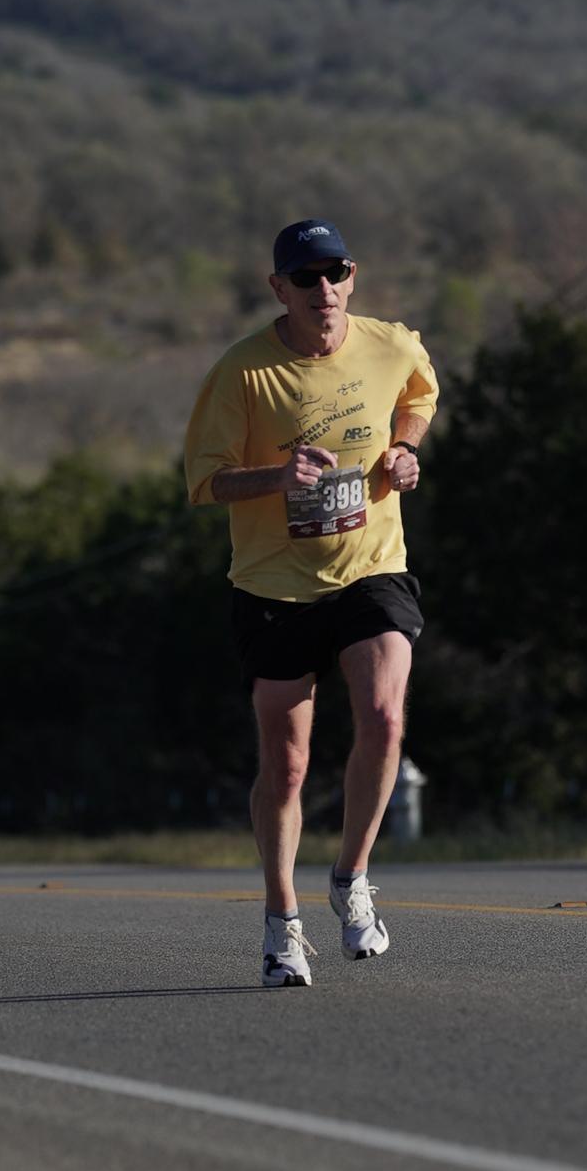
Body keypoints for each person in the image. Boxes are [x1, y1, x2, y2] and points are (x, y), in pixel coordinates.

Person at [185, 218, 438, 988]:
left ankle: (351, 879)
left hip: (372, 568)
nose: (323, 289)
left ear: (352, 277)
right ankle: (281, 923)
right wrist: (279, 476)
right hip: (274, 586)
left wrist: (405, 448)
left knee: (385, 717)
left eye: (335, 273)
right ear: (279, 289)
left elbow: (420, 393)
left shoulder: (391, 343)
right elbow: (206, 482)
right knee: (287, 766)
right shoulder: (244, 373)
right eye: (306, 278)